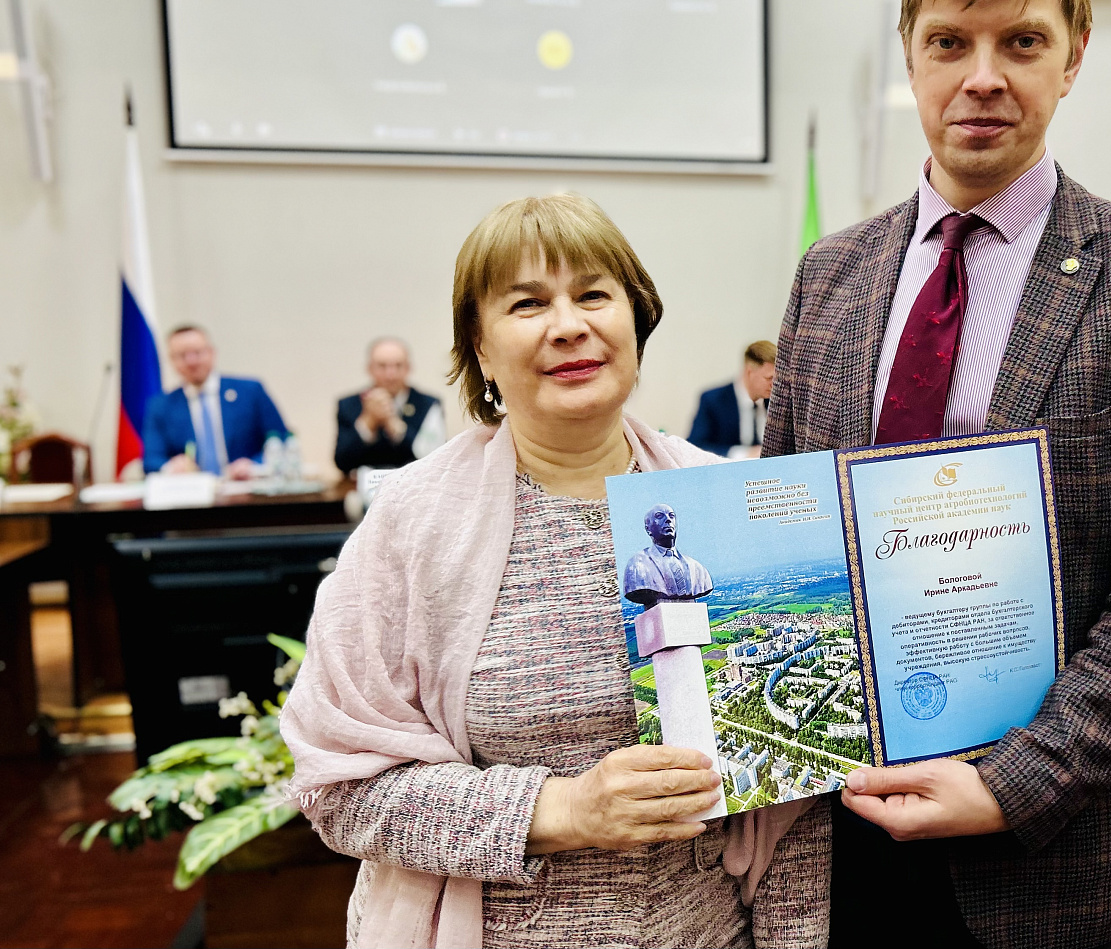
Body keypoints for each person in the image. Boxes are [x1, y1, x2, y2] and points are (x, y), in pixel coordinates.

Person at [763, 0, 1111, 949]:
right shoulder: (829, 274)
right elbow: (782, 521)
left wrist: (1018, 783)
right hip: (834, 820)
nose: (983, 75)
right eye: (950, 41)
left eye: (1021, 41)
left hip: (1045, 845)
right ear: (911, 54)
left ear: (1073, 55)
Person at [282, 194, 828, 948]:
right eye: (528, 303)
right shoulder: (412, 521)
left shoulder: (726, 506)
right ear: (479, 347)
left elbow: (797, 795)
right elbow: (342, 788)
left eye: (595, 294)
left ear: (635, 318)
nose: (569, 324)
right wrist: (564, 810)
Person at [142, 324, 288, 478]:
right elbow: (151, 460)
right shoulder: (160, 405)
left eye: (197, 352)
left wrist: (254, 465)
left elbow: (281, 440)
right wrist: (171, 467)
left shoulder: (250, 391)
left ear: (212, 352)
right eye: (182, 355)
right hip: (192, 494)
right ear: (172, 360)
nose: (191, 361)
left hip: (247, 491)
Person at [333, 337, 446, 474]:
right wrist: (368, 423)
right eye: (382, 366)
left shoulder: (429, 404)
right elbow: (342, 462)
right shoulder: (349, 405)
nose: (390, 375)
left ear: (408, 368)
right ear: (369, 369)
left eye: (398, 366)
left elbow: (434, 459)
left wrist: (394, 424)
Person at [688, 341, 776, 458]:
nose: (774, 385)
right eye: (769, 378)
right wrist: (743, 454)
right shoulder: (713, 400)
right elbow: (695, 447)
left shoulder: (777, 401)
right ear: (749, 372)